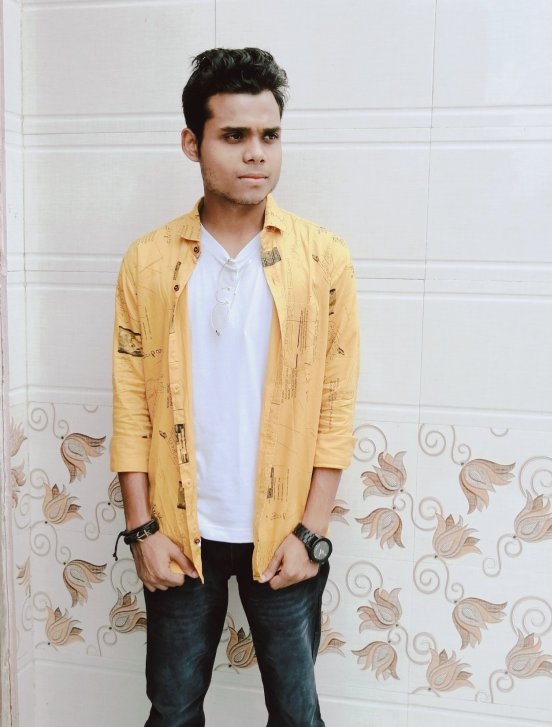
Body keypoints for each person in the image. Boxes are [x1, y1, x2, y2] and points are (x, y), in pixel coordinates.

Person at [111, 47, 359, 727]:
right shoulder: (149, 261)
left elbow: (335, 403)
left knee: (298, 715)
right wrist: (142, 530)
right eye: (234, 135)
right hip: (178, 533)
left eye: (270, 135)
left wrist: (311, 533)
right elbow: (131, 402)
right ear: (192, 143)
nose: (256, 153)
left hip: (283, 535)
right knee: (172, 710)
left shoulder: (322, 259)